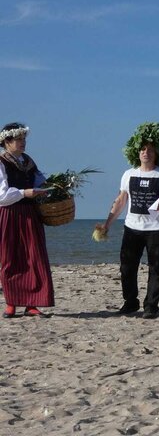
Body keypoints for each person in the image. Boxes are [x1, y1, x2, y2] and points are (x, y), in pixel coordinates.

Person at [97, 122, 159, 319]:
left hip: (157, 228)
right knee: (127, 266)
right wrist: (107, 223)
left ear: (157, 153)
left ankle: (151, 306)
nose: (146, 153)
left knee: (156, 268)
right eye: (143, 149)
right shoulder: (128, 174)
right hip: (132, 227)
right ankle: (130, 302)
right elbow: (120, 200)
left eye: (150, 150)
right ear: (137, 152)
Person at [0, 122, 53, 318]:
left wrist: (50, 187)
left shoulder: (28, 161)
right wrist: (25, 192)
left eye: (24, 139)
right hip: (9, 213)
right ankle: (11, 303)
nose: (23, 143)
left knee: (33, 257)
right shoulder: (1, 162)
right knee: (10, 257)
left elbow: (39, 180)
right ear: (7, 141)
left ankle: (32, 304)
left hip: (30, 213)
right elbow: (1, 195)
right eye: (19, 139)